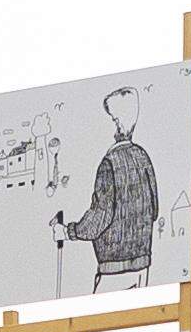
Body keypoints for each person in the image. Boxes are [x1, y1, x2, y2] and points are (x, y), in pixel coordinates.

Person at [55, 83, 162, 291]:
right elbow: (154, 210)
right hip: (142, 264)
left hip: (113, 267)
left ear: (116, 123)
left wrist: (68, 232)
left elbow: (98, 219)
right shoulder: (142, 156)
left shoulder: (109, 164)